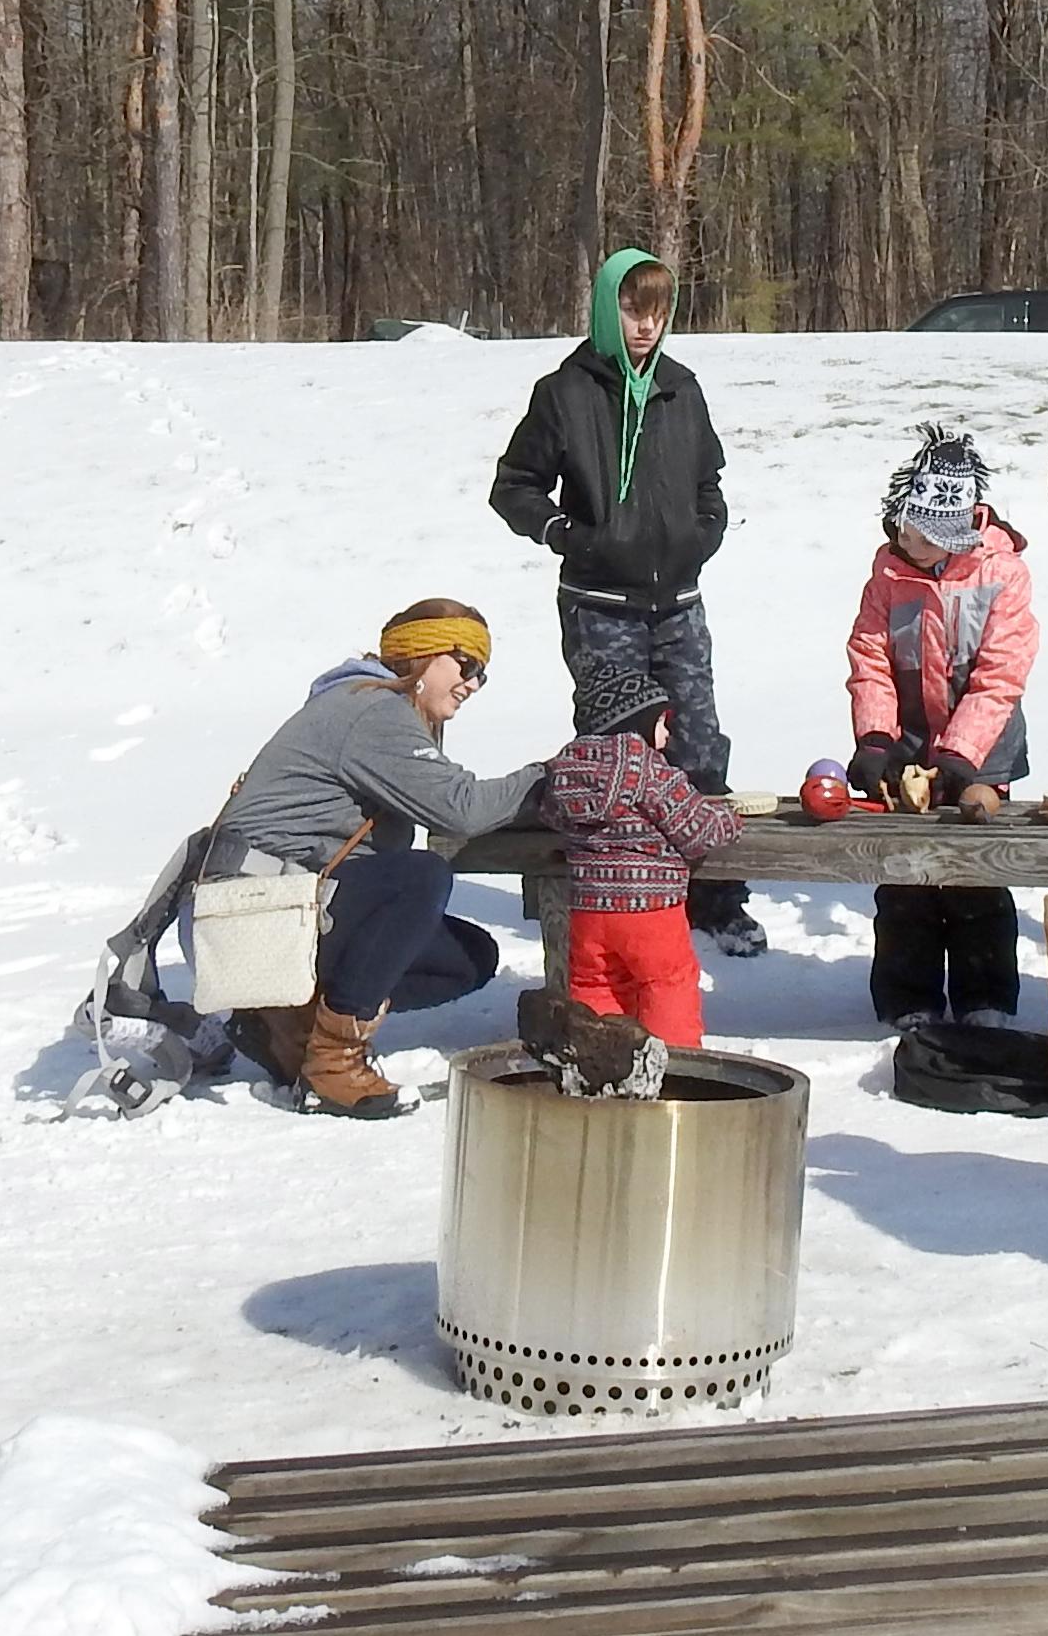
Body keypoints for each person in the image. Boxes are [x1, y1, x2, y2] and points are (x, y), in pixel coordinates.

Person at [489, 247, 766, 958]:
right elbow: (514, 485)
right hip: (599, 601)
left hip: (678, 601)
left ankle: (716, 898)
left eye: (657, 311)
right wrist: (567, 534)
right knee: (620, 757)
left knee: (699, 744)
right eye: (632, 309)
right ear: (605, 309)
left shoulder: (682, 388)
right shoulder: (564, 392)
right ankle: (622, 894)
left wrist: (702, 536)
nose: (645, 325)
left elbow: (710, 482)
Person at [211, 601, 544, 1119]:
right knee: (418, 878)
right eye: (466, 664)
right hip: (257, 912)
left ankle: (285, 1021)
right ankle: (332, 1064)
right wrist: (548, 776)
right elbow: (460, 809)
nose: (474, 684)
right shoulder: (374, 710)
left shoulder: (374, 706)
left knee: (466, 958)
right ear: (422, 655)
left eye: (483, 672)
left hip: (277, 904)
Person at [847, 429, 1039, 1031]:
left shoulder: (1000, 574)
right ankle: (910, 996)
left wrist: (962, 752)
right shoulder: (887, 576)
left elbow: (1002, 672)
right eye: (904, 528)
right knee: (905, 875)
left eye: (925, 534)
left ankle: (985, 997)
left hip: (984, 750)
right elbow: (870, 659)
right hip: (908, 744)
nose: (909, 542)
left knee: (974, 872)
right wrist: (876, 737)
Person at [541, 663, 745, 1048]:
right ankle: (675, 1062)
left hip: (589, 909)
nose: (667, 735)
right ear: (638, 723)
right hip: (651, 907)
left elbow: (551, 815)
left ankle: (598, 1059)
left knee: (594, 984)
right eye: (663, 722)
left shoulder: (566, 771)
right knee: (667, 982)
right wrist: (728, 819)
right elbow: (698, 829)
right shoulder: (653, 771)